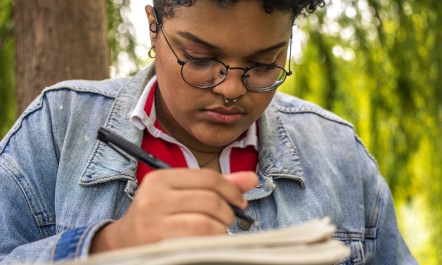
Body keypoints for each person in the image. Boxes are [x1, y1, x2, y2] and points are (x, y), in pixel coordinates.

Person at [0, 0, 417, 264]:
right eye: (199, 58)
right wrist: (109, 246)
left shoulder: (339, 152)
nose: (231, 88)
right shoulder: (58, 125)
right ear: (153, 27)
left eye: (264, 64)